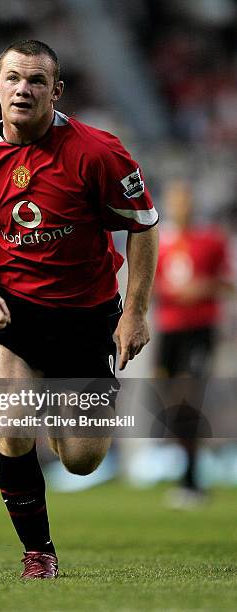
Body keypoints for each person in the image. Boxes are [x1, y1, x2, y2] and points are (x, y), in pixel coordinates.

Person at [0, 40, 159, 578]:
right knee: (13, 425)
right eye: (13, 77)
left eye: (36, 80)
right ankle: (38, 552)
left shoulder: (97, 151)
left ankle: (52, 392)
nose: (23, 88)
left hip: (87, 316)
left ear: (55, 91)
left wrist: (134, 313)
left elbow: (143, 227)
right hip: (13, 315)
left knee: (82, 460)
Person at [154, 180, 232, 508]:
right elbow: (150, 286)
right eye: (175, 201)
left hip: (199, 330)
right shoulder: (160, 242)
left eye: (184, 200)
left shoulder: (211, 240)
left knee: (190, 397)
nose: (180, 206)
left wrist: (204, 287)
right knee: (173, 404)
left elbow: (228, 284)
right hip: (169, 332)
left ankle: (192, 479)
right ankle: (189, 477)